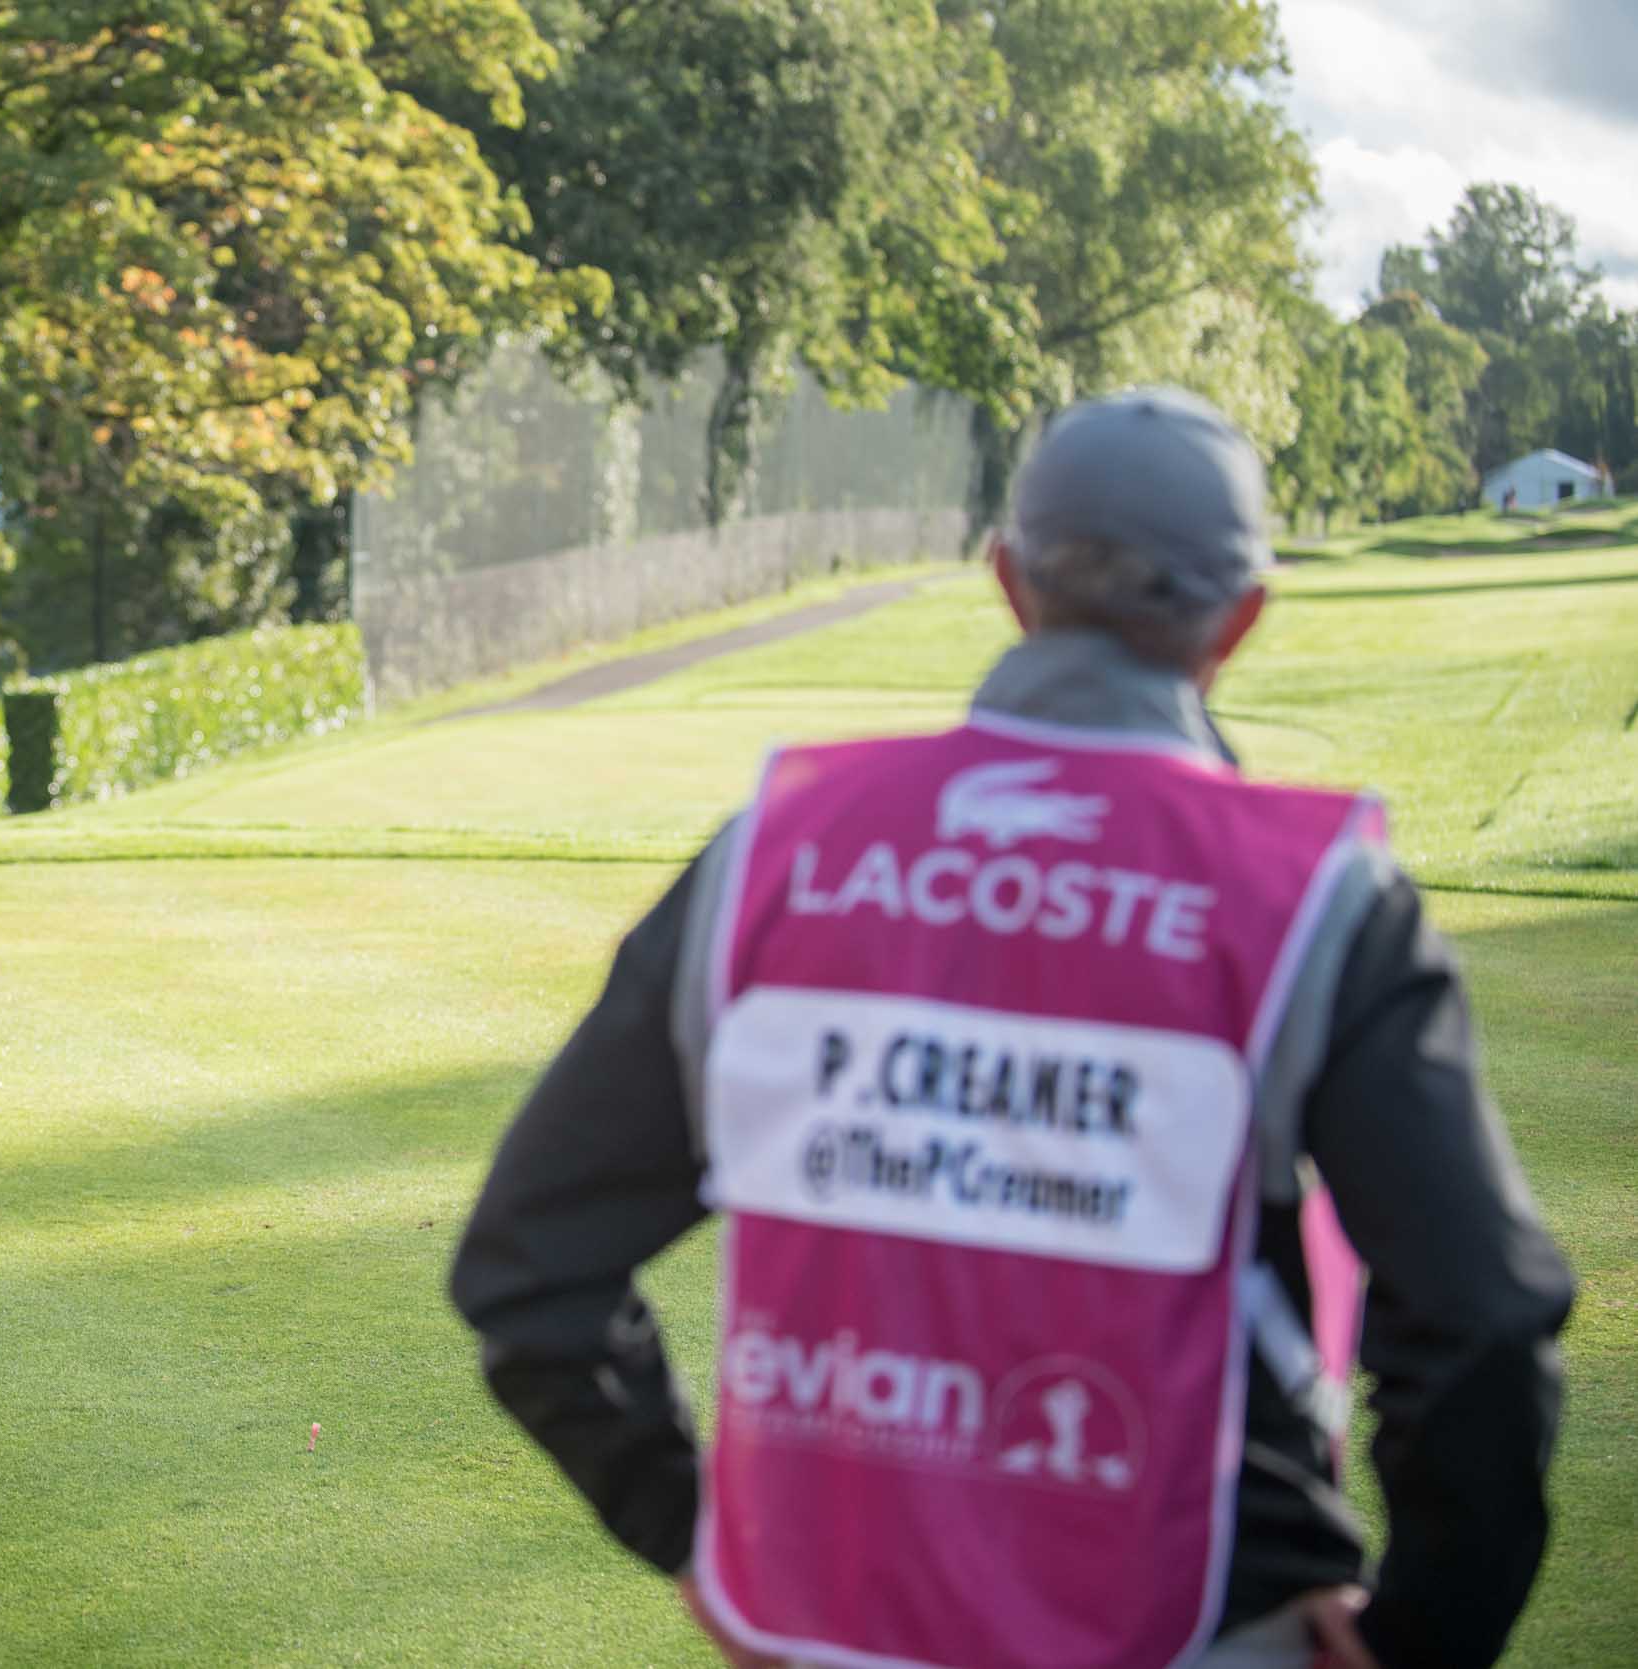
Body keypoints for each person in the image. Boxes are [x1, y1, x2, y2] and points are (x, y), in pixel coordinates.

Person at [450, 389, 1575, 1669]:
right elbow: (1481, 1320)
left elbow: (528, 1267)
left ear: (1006, 579)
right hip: (1201, 1630)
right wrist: (1426, 1636)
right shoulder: (1314, 891)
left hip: (826, 1629)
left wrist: (698, 1535)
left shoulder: (772, 849)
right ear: (1244, 617)